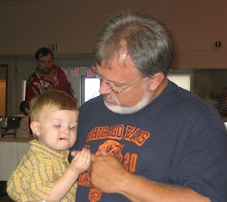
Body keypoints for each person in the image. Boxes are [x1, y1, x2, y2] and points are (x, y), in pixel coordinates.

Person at [71, 11, 227, 201]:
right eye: (101, 77)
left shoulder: (198, 121)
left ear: (154, 80)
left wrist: (123, 182)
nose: (103, 90)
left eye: (116, 85)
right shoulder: (89, 112)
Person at [7, 89, 90, 202]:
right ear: (37, 128)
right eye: (57, 125)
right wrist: (74, 170)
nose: (66, 131)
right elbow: (48, 197)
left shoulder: (57, 154)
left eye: (72, 127)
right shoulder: (42, 161)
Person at [24, 47, 75, 116]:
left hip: (66, 113)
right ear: (37, 62)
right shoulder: (33, 82)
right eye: (43, 62)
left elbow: (68, 90)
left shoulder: (58, 71)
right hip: (48, 118)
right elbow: (30, 109)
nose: (46, 65)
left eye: (49, 62)